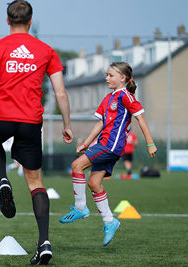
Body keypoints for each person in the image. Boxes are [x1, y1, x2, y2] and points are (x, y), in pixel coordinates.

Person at [0, 1, 74, 265]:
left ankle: (2, 179)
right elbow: (60, 91)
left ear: (7, 20)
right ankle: (44, 242)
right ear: (31, 21)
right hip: (30, 121)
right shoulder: (46, 50)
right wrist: (67, 124)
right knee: (35, 182)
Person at [59, 62, 157, 246]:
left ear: (123, 78)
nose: (107, 78)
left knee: (76, 166)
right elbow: (100, 123)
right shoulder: (108, 98)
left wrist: (150, 143)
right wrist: (86, 143)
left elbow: (140, 118)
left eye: (111, 75)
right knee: (94, 183)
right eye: (106, 75)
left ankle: (81, 208)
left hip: (111, 145)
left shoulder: (126, 96)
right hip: (104, 144)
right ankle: (110, 221)